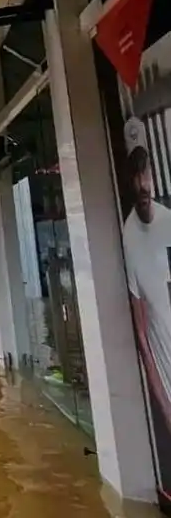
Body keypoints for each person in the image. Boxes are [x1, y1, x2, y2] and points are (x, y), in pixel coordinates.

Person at [122, 143, 171, 427]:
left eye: (145, 176)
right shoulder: (129, 237)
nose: (142, 184)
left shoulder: (167, 222)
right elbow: (141, 332)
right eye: (136, 178)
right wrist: (163, 403)